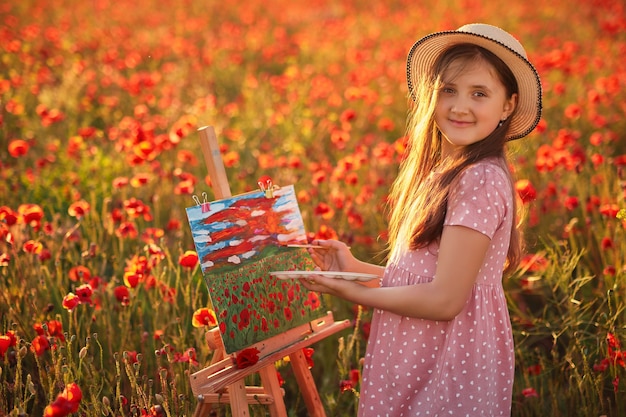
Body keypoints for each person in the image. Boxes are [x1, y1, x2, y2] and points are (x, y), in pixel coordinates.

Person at [301, 23, 542, 416]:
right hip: (420, 355)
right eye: (448, 89)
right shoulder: (449, 172)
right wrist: (354, 270)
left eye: (479, 93)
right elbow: (423, 280)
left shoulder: (480, 179)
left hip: (447, 366)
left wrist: (353, 294)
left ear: (508, 105)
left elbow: (446, 299)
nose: (459, 106)